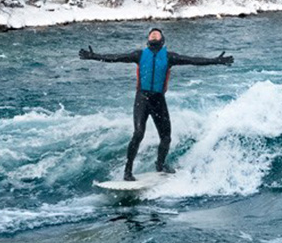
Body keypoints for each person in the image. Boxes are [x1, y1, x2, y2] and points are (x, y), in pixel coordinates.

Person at [79, 27, 233, 181]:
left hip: (158, 100)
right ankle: (127, 171)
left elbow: (193, 60)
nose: (153, 32)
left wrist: (216, 60)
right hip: (142, 99)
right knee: (138, 134)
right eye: (151, 32)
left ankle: (160, 165)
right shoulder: (139, 55)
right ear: (148, 39)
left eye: (157, 32)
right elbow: (116, 57)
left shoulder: (169, 57)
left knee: (166, 137)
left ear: (162, 39)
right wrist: (93, 56)